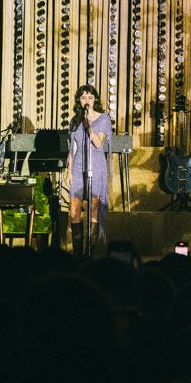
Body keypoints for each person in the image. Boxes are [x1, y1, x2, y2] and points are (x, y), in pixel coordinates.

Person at [64, 84, 112, 257]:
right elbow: (73, 148)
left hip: (96, 166)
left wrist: (89, 126)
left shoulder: (104, 118)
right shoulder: (75, 120)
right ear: (79, 100)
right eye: (83, 97)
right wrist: (69, 170)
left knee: (93, 208)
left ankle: (89, 253)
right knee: (74, 210)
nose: (87, 101)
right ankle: (77, 254)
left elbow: (99, 143)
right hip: (78, 166)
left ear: (95, 100)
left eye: (90, 97)